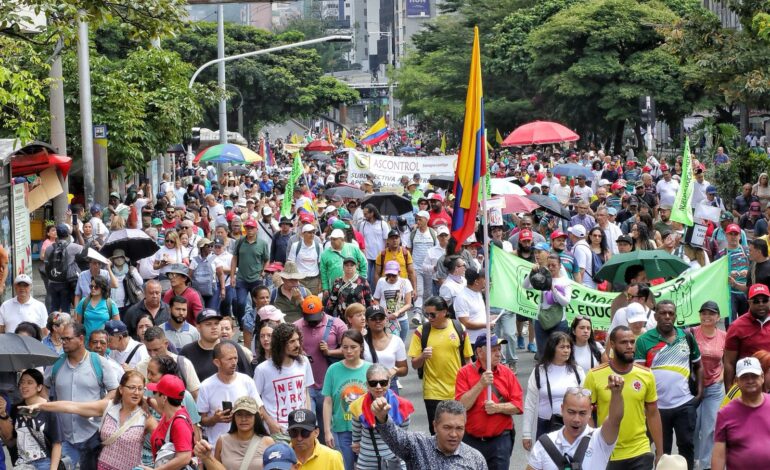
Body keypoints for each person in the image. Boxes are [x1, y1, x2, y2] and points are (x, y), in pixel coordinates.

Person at [26, 370, 154, 470]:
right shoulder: (108, 406)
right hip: (102, 466)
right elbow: (73, 406)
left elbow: (167, 442)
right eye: (132, 387)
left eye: (140, 388)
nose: (136, 392)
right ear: (121, 389)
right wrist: (41, 405)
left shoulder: (146, 418)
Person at [635, 300, 702, 469]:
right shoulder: (644, 340)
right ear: (656, 316)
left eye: (670, 313)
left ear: (675, 316)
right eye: (663, 313)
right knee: (662, 451)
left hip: (685, 404)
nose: (667, 317)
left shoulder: (686, 336)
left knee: (687, 446)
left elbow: (698, 365)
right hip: (657, 408)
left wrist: (700, 393)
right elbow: (639, 375)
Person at [584, 325, 663, 469]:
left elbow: (653, 414)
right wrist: (592, 443)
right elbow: (586, 412)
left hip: (640, 450)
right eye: (624, 342)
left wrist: (660, 452)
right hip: (608, 452)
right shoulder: (594, 375)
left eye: (632, 342)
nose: (629, 346)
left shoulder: (646, 374)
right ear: (612, 344)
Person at [44, 322, 119, 469]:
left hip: (92, 434)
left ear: (80, 339)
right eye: (62, 339)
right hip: (63, 436)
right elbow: (44, 388)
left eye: (67, 339)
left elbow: (115, 391)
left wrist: (98, 407)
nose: (63, 343)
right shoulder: (56, 364)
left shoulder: (99, 362)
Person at [455, 334, 523, 470]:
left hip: (500, 440)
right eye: (494, 350)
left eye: (499, 349)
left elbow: (518, 406)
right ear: (479, 352)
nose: (499, 354)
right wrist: (480, 384)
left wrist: (498, 407)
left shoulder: (507, 373)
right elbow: (461, 406)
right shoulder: (464, 373)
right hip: (471, 440)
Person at [526, 377, 624, 470]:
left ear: (590, 412)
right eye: (571, 412)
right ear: (562, 409)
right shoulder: (544, 444)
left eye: (582, 413)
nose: (576, 419)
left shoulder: (600, 439)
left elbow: (615, 420)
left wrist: (616, 393)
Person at [408, 296, 473, 435]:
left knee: (458, 430)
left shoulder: (459, 328)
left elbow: (468, 360)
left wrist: (471, 386)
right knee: (437, 432)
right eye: (426, 314)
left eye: (432, 314)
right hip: (433, 391)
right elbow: (414, 364)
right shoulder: (421, 331)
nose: (429, 318)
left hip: (457, 390)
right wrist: (423, 356)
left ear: (444, 312)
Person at [372, 398, 487, 468]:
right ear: (435, 426)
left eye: (459, 428)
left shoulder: (475, 459)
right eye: (447, 427)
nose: (453, 434)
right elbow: (394, 436)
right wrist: (382, 417)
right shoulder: (417, 446)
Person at [294, 295, 347, 445]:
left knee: (328, 428)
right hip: (306, 386)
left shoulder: (337, 324)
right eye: (308, 317)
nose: (312, 321)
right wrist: (298, 353)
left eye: (315, 317)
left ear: (323, 311)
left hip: (329, 385)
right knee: (309, 427)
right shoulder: (296, 327)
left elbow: (351, 349)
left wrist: (330, 352)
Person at [522, 331, 585, 449]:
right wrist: (526, 434)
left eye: (568, 347)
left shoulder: (577, 371)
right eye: (562, 347)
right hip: (545, 426)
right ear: (552, 349)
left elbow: (585, 402)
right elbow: (529, 404)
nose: (566, 350)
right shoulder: (539, 371)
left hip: (572, 427)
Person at [197, 342, 264, 447]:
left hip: (246, 444)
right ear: (217, 362)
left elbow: (260, 411)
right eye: (229, 359)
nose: (234, 363)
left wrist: (245, 414)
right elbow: (202, 420)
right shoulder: (205, 386)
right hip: (218, 446)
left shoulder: (246, 381)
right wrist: (215, 419)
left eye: (235, 358)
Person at [349, 363, 413, 470]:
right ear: (367, 385)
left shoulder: (402, 406)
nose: (378, 387)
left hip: (394, 463)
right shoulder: (357, 406)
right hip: (367, 464)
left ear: (389, 383)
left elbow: (403, 438)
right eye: (373, 383)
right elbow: (356, 442)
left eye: (383, 382)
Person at [322, 330, 371, 470]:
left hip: (366, 430)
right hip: (342, 429)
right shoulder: (333, 369)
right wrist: (327, 431)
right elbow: (328, 401)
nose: (349, 351)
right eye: (345, 347)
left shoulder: (370, 369)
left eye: (353, 347)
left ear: (361, 347)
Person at [254, 323, 314, 436]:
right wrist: (270, 422)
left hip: (301, 427)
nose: (297, 345)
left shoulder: (304, 362)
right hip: (278, 431)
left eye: (298, 340)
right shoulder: (262, 369)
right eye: (292, 342)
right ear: (280, 344)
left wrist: (309, 417)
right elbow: (255, 400)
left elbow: (305, 392)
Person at [712, 356, 770, 469]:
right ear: (736, 381)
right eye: (744, 377)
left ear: (762, 377)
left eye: (754, 376)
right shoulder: (725, 414)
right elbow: (719, 455)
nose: (750, 380)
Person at [0, 369, 63, 470]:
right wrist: (3, 415)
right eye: (22, 383)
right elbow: (11, 443)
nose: (24, 386)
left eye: (29, 383)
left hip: (44, 463)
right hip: (22, 464)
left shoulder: (48, 408)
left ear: (39, 387)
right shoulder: (16, 409)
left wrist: (53, 468)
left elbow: (57, 443)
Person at [690, 301, 726, 470]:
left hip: (714, 388)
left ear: (718, 317)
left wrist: (722, 377)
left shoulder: (724, 336)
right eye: (703, 313)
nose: (707, 316)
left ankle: (704, 465)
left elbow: (728, 360)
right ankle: (694, 461)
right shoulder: (690, 333)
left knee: (710, 428)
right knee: (694, 426)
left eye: (711, 313)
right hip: (694, 387)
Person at [194, 396, 275, 470]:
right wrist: (207, 457)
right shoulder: (222, 441)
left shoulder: (268, 442)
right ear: (234, 417)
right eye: (239, 415)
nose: (243, 419)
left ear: (256, 417)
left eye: (249, 415)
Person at [179, 309, 252, 382]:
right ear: (198, 327)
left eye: (216, 323)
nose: (214, 327)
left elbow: (247, 376)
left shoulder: (232, 346)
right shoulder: (187, 351)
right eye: (208, 324)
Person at [723, 283, 770, 391]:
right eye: (756, 301)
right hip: (750, 385)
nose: (761, 304)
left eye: (765, 300)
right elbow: (729, 362)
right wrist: (729, 390)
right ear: (748, 302)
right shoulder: (736, 326)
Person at [524, 254, 572, 358]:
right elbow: (525, 285)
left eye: (553, 265)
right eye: (549, 265)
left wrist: (553, 288)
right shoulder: (543, 277)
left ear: (560, 265)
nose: (550, 268)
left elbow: (565, 302)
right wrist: (532, 272)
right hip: (540, 321)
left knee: (558, 355)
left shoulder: (565, 281)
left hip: (559, 322)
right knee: (543, 355)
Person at [146, 374, 196, 470]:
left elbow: (184, 458)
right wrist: (146, 400)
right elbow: (155, 404)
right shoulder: (169, 414)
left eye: (155, 393)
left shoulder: (179, 423)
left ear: (164, 398)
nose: (153, 396)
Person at [231, 217, 270, 329]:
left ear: (256, 229)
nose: (249, 230)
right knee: (241, 303)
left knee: (258, 304)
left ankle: (258, 325)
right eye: (247, 228)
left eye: (252, 228)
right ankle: (243, 326)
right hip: (241, 278)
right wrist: (233, 275)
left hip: (256, 278)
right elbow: (234, 259)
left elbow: (267, 259)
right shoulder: (239, 242)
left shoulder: (262, 243)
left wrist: (263, 272)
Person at [363, 305, 408, 394]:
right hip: (366, 386)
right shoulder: (360, 342)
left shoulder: (396, 341)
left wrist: (394, 370)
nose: (378, 321)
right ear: (366, 322)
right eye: (373, 318)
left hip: (390, 386)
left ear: (386, 320)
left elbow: (404, 369)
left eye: (381, 318)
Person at [372, 260, 413, 344]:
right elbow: (375, 299)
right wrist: (383, 311)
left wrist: (398, 312)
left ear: (399, 272)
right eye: (388, 275)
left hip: (402, 319)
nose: (391, 277)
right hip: (386, 320)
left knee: (401, 344)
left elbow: (408, 304)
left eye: (393, 275)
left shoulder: (405, 282)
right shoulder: (381, 282)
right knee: (388, 345)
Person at [74, 274, 121, 343]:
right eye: (91, 286)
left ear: (102, 288)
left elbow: (117, 325)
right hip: (87, 342)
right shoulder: (84, 302)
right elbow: (78, 324)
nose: (93, 289)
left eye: (96, 287)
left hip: (104, 343)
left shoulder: (110, 303)